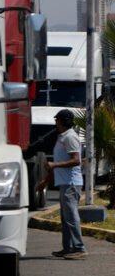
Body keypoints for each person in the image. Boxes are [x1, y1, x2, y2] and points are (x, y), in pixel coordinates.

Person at [36, 108, 87, 259]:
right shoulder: (62, 136)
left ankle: (79, 247)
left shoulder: (70, 137)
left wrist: (54, 165)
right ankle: (68, 248)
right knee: (65, 218)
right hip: (64, 183)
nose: (55, 123)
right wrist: (46, 181)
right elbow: (57, 163)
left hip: (71, 183)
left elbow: (76, 160)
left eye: (57, 120)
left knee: (71, 217)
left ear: (62, 122)